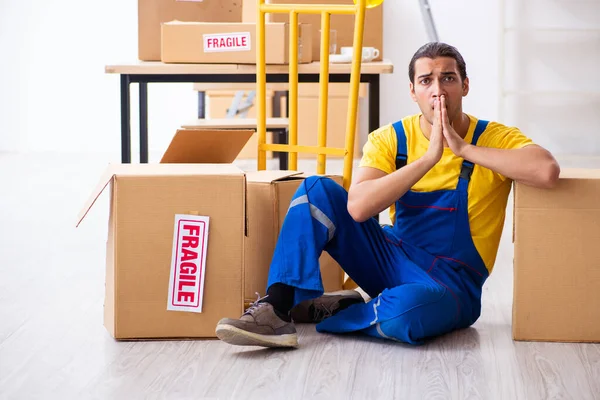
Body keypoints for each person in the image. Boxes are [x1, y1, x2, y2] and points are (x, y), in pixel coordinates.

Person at [215, 42, 560, 348]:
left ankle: (348, 307)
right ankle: (275, 309)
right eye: (426, 81)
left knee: (406, 315)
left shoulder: (493, 137)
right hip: (391, 257)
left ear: (465, 85)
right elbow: (359, 207)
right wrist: (428, 159)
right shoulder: (391, 138)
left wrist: (465, 149)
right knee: (317, 189)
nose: (437, 90)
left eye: (448, 78)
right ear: (413, 91)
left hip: (451, 286)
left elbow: (546, 171)